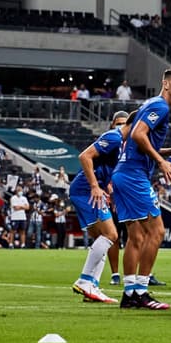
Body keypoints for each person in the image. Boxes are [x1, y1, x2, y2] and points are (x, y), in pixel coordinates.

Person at [112, 67, 171, 310]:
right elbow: (138, 135)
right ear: (165, 84)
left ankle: (129, 293)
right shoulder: (160, 107)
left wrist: (169, 152)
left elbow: (139, 139)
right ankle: (143, 292)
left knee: (136, 237)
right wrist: (161, 160)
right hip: (134, 175)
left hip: (123, 173)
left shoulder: (150, 104)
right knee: (157, 232)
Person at [69, 111, 131, 303]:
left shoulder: (122, 145)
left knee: (102, 239)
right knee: (111, 235)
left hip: (90, 190)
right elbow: (84, 156)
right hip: (85, 190)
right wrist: (95, 186)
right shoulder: (114, 137)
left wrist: (107, 188)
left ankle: (92, 287)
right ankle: (85, 280)